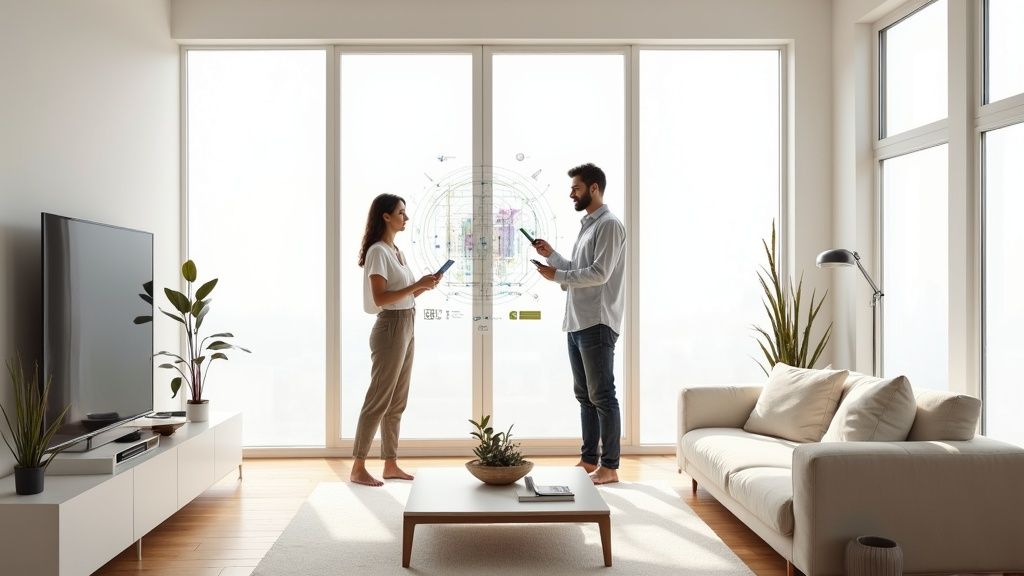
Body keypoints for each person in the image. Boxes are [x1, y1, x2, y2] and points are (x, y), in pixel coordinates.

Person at [531, 163, 626, 485]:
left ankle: (610, 466)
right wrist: (552, 257)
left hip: (597, 320)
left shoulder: (610, 225)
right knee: (585, 395)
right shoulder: (588, 226)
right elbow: (579, 268)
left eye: (576, 188)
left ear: (594, 188)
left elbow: (600, 273)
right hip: (577, 321)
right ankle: (589, 460)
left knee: (602, 395)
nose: (571, 193)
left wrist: (557, 275)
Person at [351, 193, 442, 487]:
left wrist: (423, 288)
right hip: (390, 328)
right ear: (386, 217)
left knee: (397, 401)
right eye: (401, 212)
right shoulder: (378, 251)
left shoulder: (396, 251)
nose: (406, 217)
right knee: (378, 398)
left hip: (407, 324)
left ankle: (390, 464)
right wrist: (417, 284)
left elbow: (402, 296)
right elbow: (380, 299)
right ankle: (358, 467)